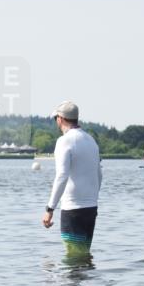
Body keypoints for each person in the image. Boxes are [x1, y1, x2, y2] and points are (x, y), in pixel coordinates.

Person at [42, 100, 102, 256]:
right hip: (91, 208)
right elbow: (99, 175)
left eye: (56, 118)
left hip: (73, 209)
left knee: (73, 258)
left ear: (60, 118)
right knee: (83, 256)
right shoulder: (91, 141)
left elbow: (62, 175)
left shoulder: (64, 141)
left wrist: (50, 208)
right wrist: (93, 199)